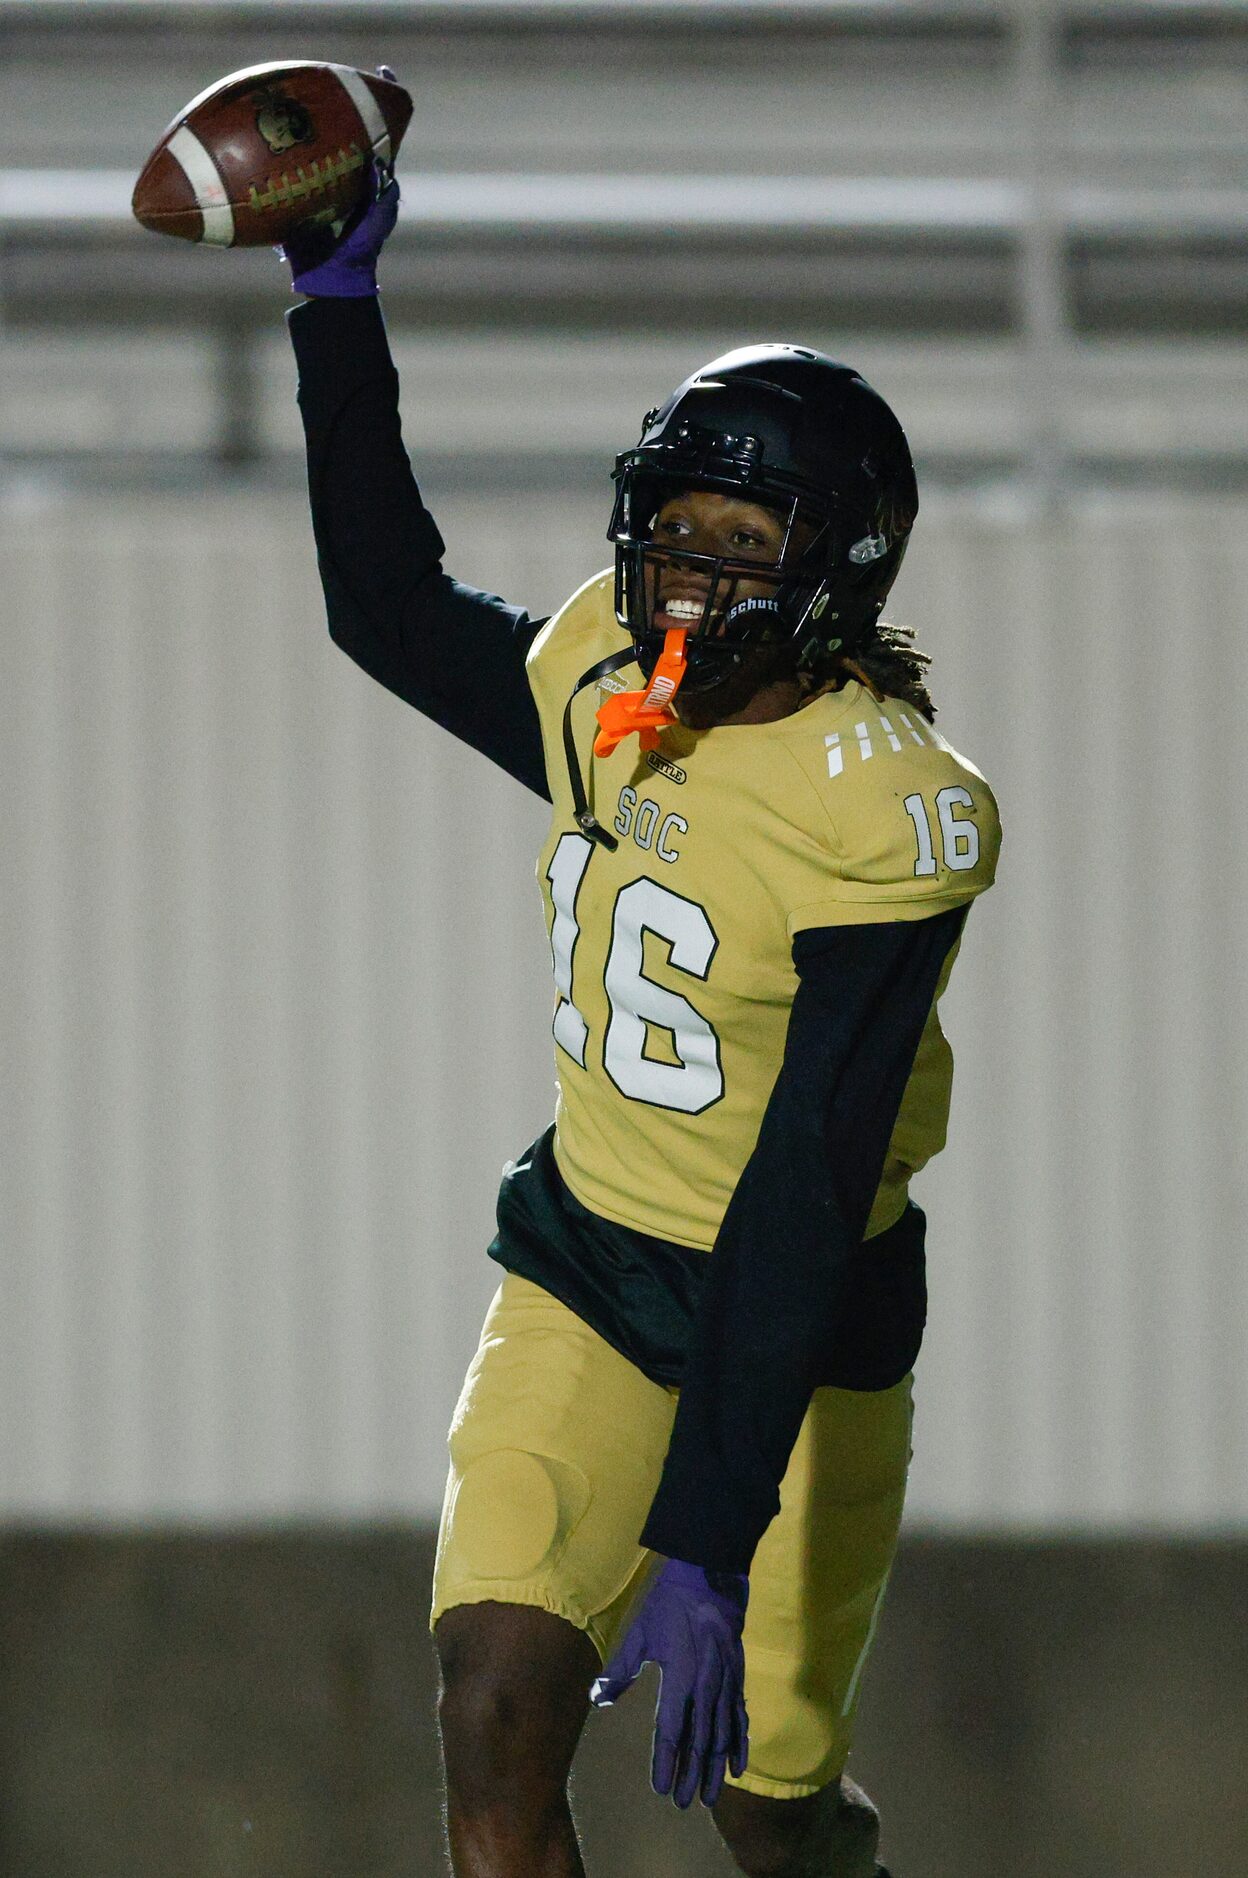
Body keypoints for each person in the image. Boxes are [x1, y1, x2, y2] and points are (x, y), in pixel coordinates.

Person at [280, 132, 1000, 1878]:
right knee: (496, 1708)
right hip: (593, 1272)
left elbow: (805, 1186)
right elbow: (386, 609)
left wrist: (710, 1530)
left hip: (800, 1321)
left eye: (740, 538)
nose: (685, 572)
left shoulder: (885, 803)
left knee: (767, 1802)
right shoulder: (608, 675)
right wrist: (335, 300)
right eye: (672, 527)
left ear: (839, 566)